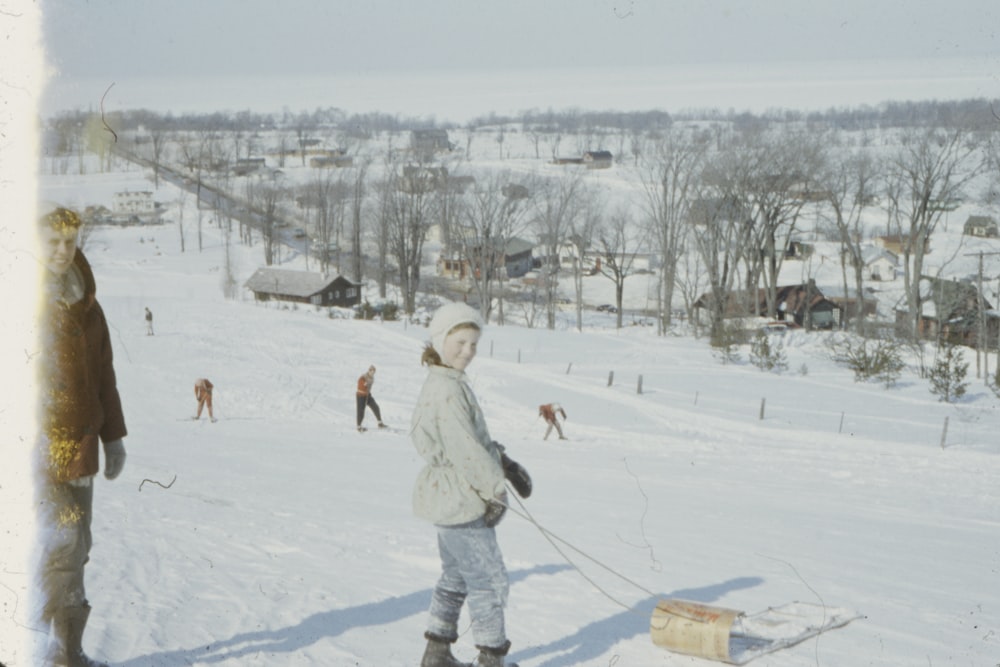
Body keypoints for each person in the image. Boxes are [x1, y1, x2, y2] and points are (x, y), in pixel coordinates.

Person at [36, 205, 128, 667]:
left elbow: (104, 376)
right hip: (35, 451)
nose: (60, 251)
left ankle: (66, 653)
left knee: (78, 546)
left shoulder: (88, 305)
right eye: (51, 242)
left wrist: (113, 438)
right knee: (61, 545)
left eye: (69, 242)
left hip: (81, 448)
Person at [411, 302, 526, 667]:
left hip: (450, 496)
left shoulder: (447, 381)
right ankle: (491, 659)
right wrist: (495, 488)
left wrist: (502, 461)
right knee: (488, 580)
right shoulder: (447, 390)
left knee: (457, 574)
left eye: (474, 344)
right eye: (460, 342)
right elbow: (464, 449)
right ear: (441, 339)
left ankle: (437, 652)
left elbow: (471, 441)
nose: (468, 352)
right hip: (460, 497)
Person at [356, 365, 385, 432]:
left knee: (375, 407)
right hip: (361, 396)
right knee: (361, 411)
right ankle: (359, 427)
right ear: (369, 370)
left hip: (367, 395)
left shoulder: (372, 378)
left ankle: (380, 423)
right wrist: (364, 384)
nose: (372, 372)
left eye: (373, 371)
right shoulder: (363, 377)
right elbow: (360, 382)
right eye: (371, 371)